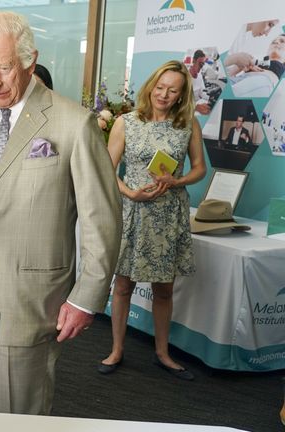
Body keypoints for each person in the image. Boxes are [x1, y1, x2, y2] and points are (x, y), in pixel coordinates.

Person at [0, 12, 121, 415]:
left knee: (19, 417)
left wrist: (85, 298)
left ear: (29, 60)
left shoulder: (74, 124)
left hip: (29, 304)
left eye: (4, 68)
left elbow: (104, 220)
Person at [99, 60, 206, 381]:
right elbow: (106, 168)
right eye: (160, 87)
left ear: (181, 95)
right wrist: (130, 193)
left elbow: (199, 168)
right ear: (150, 87)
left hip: (169, 214)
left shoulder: (188, 124)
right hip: (133, 212)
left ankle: (162, 353)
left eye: (172, 90)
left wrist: (178, 181)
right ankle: (116, 350)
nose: (164, 94)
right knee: (122, 286)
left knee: (164, 289)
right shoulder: (125, 122)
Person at [188, 50, 211, 115]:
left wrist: (210, 98)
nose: (201, 67)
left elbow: (202, 92)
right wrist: (196, 107)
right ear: (193, 61)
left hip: (198, 103)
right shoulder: (184, 77)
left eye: (202, 64)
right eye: (200, 63)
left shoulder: (200, 75)